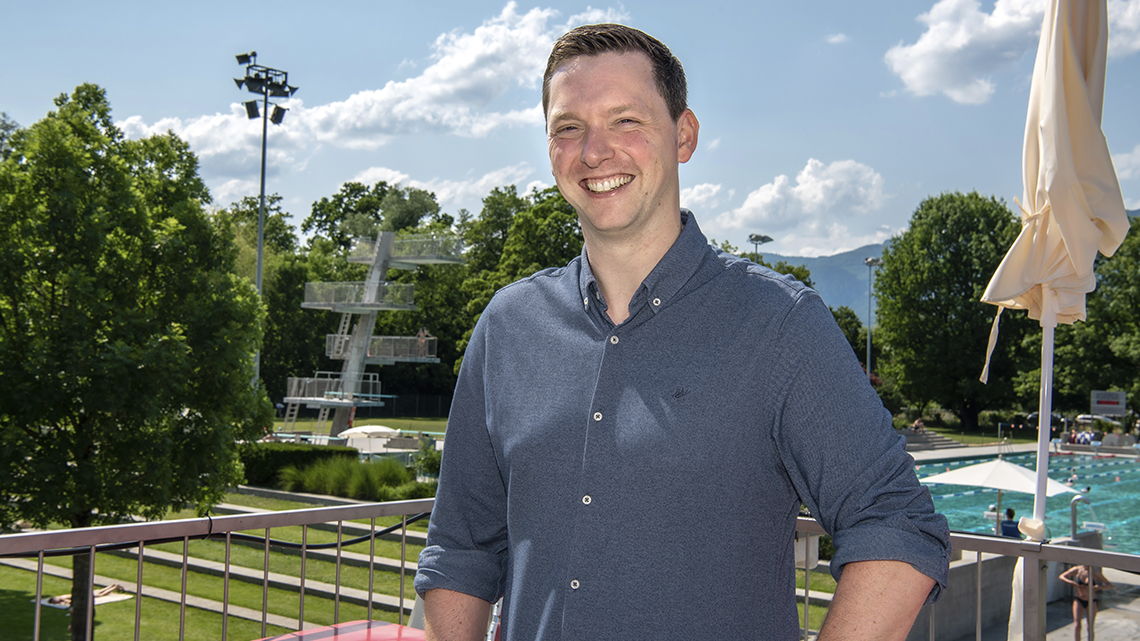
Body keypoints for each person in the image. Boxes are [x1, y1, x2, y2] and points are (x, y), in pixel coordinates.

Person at [414, 23, 950, 641]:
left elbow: (896, 525)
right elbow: (461, 549)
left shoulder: (779, 324)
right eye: (568, 128)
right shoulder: (508, 327)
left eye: (626, 121)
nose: (594, 152)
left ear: (684, 135)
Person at [1059, 565, 1114, 641]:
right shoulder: (1077, 569)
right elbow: (1062, 576)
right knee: (1077, 626)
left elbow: (1109, 585)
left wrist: (1099, 587)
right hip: (1079, 599)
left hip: (1091, 600)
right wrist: (1071, 582)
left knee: (1090, 626)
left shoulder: (1095, 573)